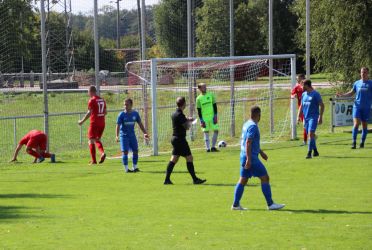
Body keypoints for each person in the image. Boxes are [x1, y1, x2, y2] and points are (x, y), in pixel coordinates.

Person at [232, 106, 284, 211]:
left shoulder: (247, 124)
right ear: (258, 115)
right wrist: (249, 159)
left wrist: (261, 152)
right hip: (251, 157)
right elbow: (248, 142)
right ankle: (270, 204)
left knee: (243, 180)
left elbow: (251, 142)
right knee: (265, 178)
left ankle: (235, 205)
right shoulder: (253, 127)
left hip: (244, 155)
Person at [164, 97, 207, 185]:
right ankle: (195, 179)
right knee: (189, 158)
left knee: (174, 159)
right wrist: (191, 122)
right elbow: (186, 127)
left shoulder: (174, 113)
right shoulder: (180, 115)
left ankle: (167, 180)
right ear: (184, 104)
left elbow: (181, 121)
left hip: (175, 139)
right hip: (180, 140)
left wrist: (187, 119)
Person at [337, 67, 372, 149]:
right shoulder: (357, 83)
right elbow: (351, 93)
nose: (363, 74)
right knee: (356, 124)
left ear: (368, 73)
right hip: (357, 106)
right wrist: (342, 95)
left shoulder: (370, 83)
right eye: (362, 72)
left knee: (364, 126)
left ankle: (362, 142)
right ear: (360, 73)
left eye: (365, 72)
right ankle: (354, 142)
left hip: (366, 108)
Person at [116, 98, 149, 173]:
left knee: (136, 150)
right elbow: (118, 125)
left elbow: (140, 124)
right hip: (124, 136)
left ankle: (135, 167)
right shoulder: (121, 114)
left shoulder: (135, 114)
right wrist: (117, 136)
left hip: (132, 135)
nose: (125, 106)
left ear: (131, 105)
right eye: (124, 104)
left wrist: (145, 133)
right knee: (125, 152)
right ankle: (126, 169)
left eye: (127, 104)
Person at [78, 85, 107, 165]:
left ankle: (94, 161)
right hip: (102, 123)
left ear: (91, 91)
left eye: (88, 92)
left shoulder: (92, 100)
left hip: (94, 123)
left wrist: (82, 121)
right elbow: (105, 112)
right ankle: (102, 153)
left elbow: (89, 112)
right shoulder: (102, 100)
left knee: (91, 140)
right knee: (97, 139)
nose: (88, 93)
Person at [297, 79, 324, 159]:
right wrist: (298, 116)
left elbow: (322, 105)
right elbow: (301, 106)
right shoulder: (303, 94)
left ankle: (309, 153)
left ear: (307, 85)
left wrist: (320, 116)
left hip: (313, 117)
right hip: (306, 118)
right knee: (310, 135)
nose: (302, 87)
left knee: (310, 134)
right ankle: (315, 151)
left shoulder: (316, 94)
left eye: (303, 86)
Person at [196, 83, 219, 152]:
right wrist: (201, 120)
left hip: (212, 117)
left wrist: (215, 116)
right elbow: (199, 111)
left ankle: (213, 147)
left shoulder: (211, 95)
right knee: (206, 132)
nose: (205, 88)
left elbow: (215, 106)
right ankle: (207, 148)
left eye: (205, 86)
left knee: (216, 130)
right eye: (203, 87)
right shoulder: (198, 99)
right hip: (204, 118)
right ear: (200, 89)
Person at [291, 73, 307, 145]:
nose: (297, 80)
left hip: (307, 107)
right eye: (297, 79)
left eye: (298, 78)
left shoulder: (307, 87)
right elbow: (292, 93)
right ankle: (312, 135)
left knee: (305, 124)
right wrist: (293, 95)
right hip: (301, 108)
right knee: (305, 125)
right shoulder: (297, 87)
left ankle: (305, 141)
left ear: (302, 79)